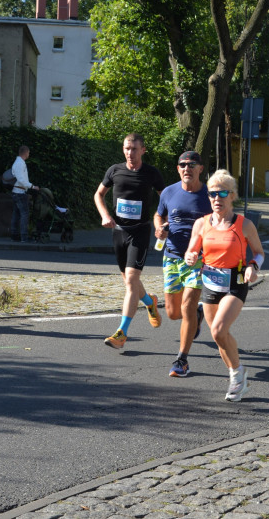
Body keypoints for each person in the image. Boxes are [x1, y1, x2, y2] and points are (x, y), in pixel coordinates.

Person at [184, 170, 263, 401]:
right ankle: (236, 376)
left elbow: (259, 253)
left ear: (233, 196)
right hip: (209, 282)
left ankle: (238, 377)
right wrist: (190, 257)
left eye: (222, 193)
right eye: (212, 194)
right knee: (219, 336)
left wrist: (253, 267)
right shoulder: (201, 223)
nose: (217, 198)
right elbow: (192, 250)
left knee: (218, 329)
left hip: (236, 282)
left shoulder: (244, 224)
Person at [96, 133, 166, 349]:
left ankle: (121, 333)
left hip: (140, 232)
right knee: (129, 281)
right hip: (118, 231)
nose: (130, 153)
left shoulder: (151, 173)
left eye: (134, 149)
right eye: (127, 148)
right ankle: (150, 302)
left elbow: (166, 200)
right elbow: (99, 194)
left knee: (131, 280)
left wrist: (161, 224)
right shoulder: (114, 170)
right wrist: (105, 216)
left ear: (143, 150)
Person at [154, 151, 211, 377]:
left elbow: (222, 220)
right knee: (173, 313)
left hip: (198, 260)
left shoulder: (210, 194)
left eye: (191, 164)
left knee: (186, 307)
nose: (187, 168)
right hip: (171, 257)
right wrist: (158, 227)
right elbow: (159, 215)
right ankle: (198, 316)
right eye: (182, 165)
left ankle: (182, 360)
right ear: (178, 169)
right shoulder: (169, 192)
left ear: (200, 169)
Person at [9, 146, 37, 243]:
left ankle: (14, 235)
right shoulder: (20, 163)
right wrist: (32, 186)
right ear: (26, 153)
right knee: (25, 214)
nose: (29, 154)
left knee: (16, 214)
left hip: (17, 192)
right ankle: (24, 237)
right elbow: (21, 179)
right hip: (19, 192)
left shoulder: (19, 162)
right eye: (28, 153)